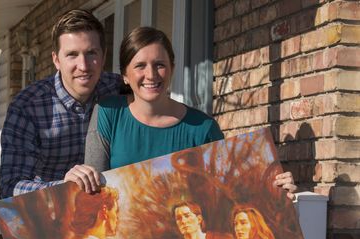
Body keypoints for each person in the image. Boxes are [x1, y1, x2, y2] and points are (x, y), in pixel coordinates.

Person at [0, 9, 122, 239]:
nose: (83, 65)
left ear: (103, 56)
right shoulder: (28, 106)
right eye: (73, 55)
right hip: (31, 235)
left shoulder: (119, 90)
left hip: (94, 238)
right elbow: (11, 186)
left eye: (92, 53)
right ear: (56, 59)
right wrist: (63, 186)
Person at [84, 26, 297, 198]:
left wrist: (273, 189)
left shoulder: (203, 128)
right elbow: (93, 191)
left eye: (159, 64)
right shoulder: (107, 113)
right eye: (140, 66)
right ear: (125, 75)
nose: (150, 74)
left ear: (172, 69)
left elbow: (227, 192)